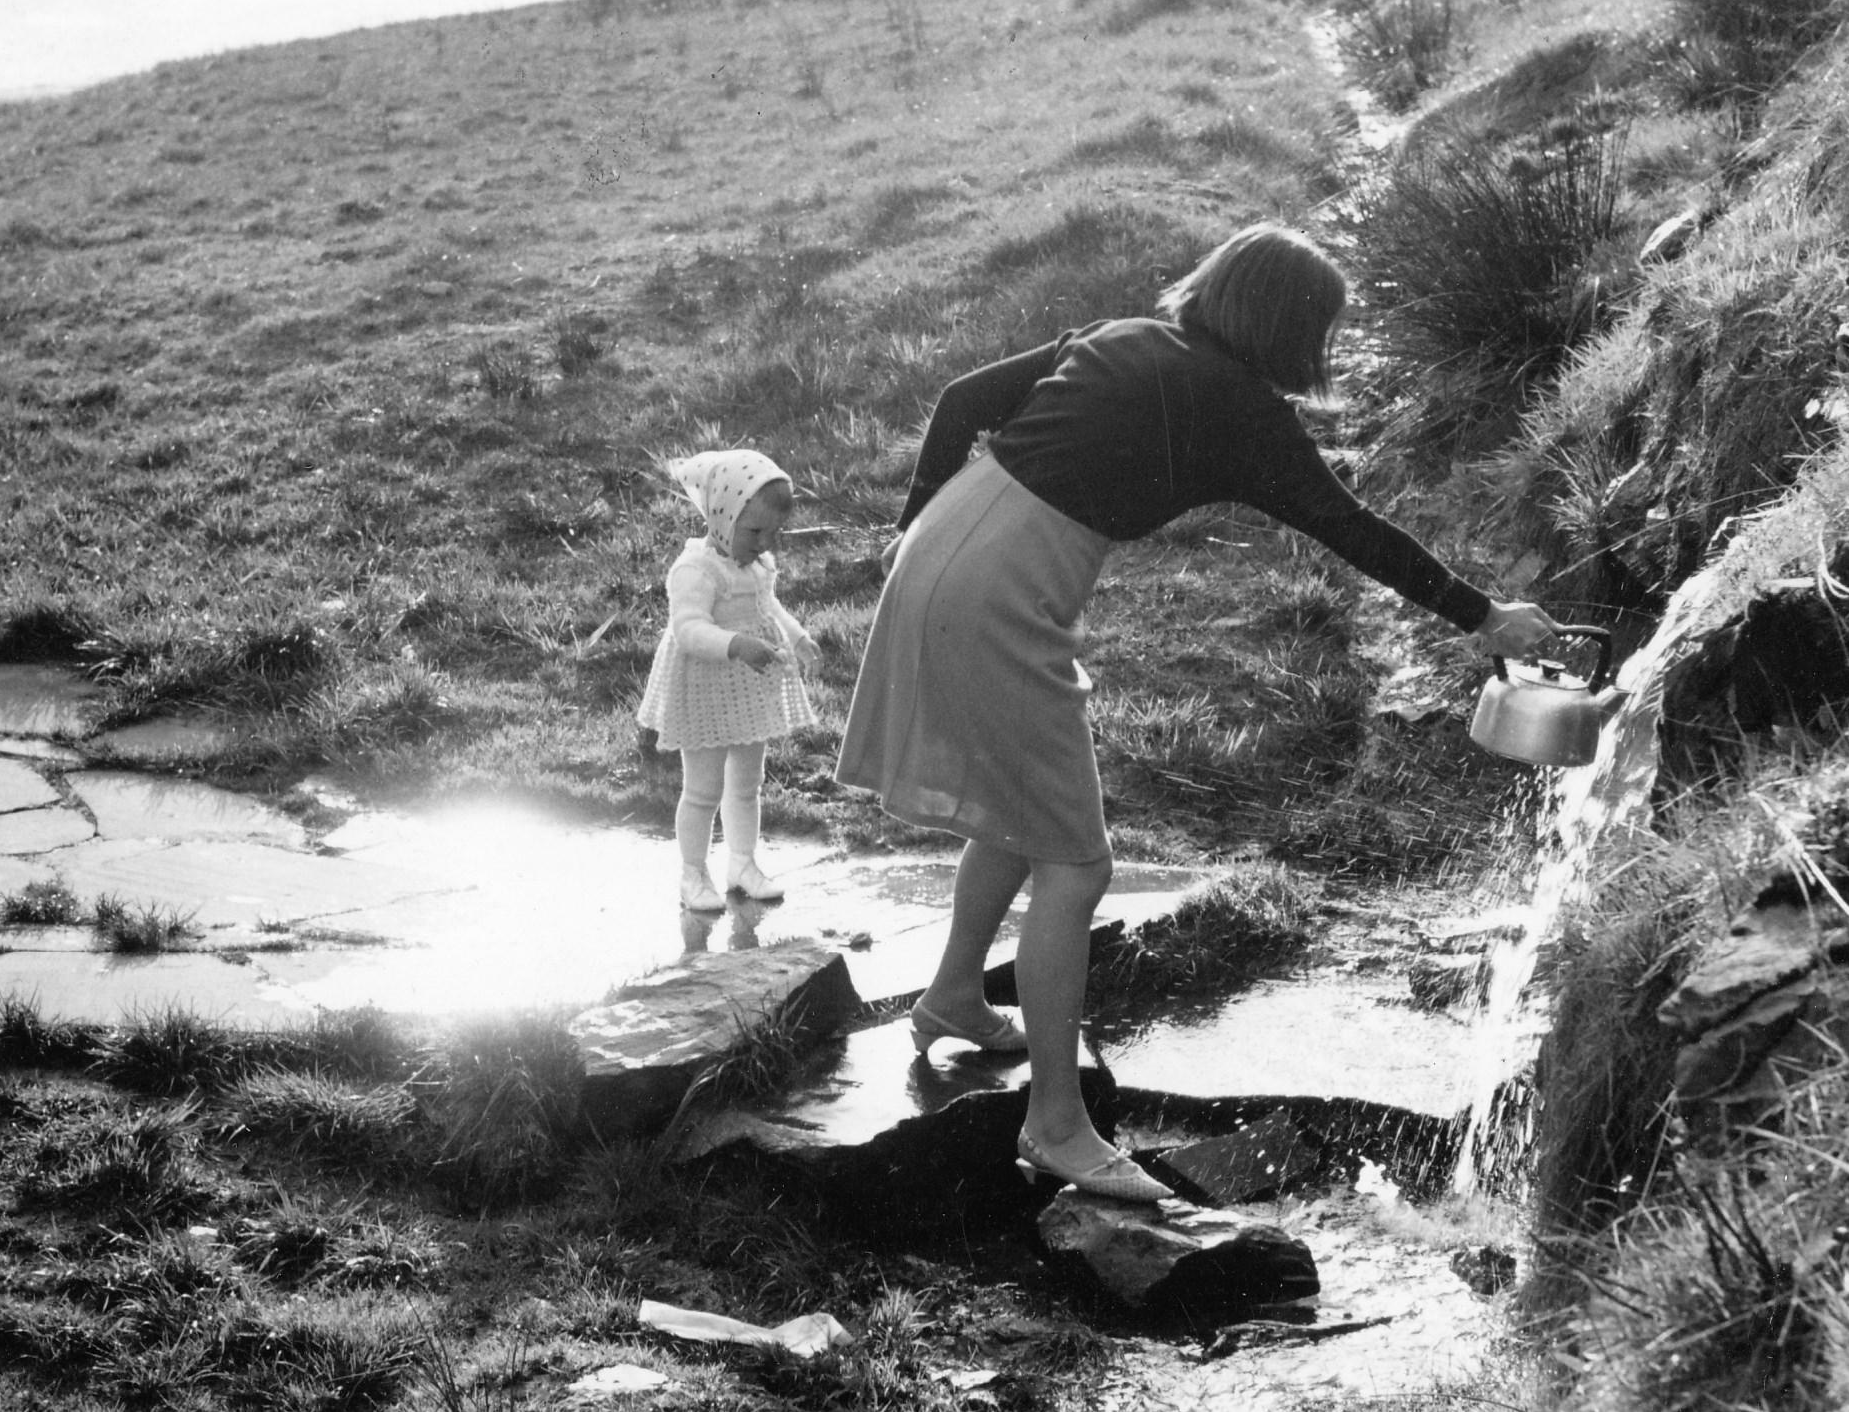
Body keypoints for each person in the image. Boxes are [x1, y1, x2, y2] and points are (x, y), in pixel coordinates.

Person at [835, 223, 1561, 1202]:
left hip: (945, 544)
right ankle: (1056, 1125)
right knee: (1076, 863)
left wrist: (910, 524)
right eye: (1323, 329)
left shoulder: (1124, 336)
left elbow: (963, 399)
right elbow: (1348, 527)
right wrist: (1482, 615)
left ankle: (956, 994)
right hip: (998, 594)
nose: (1326, 348)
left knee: (1024, 810)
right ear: (1289, 326)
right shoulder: (1241, 411)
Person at [638, 448, 821, 913]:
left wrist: (798, 638)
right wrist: (736, 644)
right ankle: (693, 872)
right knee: (703, 789)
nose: (764, 543)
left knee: (746, 784)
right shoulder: (696, 569)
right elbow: (689, 629)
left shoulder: (757, 566)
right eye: (754, 531)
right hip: (703, 689)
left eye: (774, 533)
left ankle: (742, 862)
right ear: (721, 518)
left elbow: (769, 607)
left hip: (749, 690)